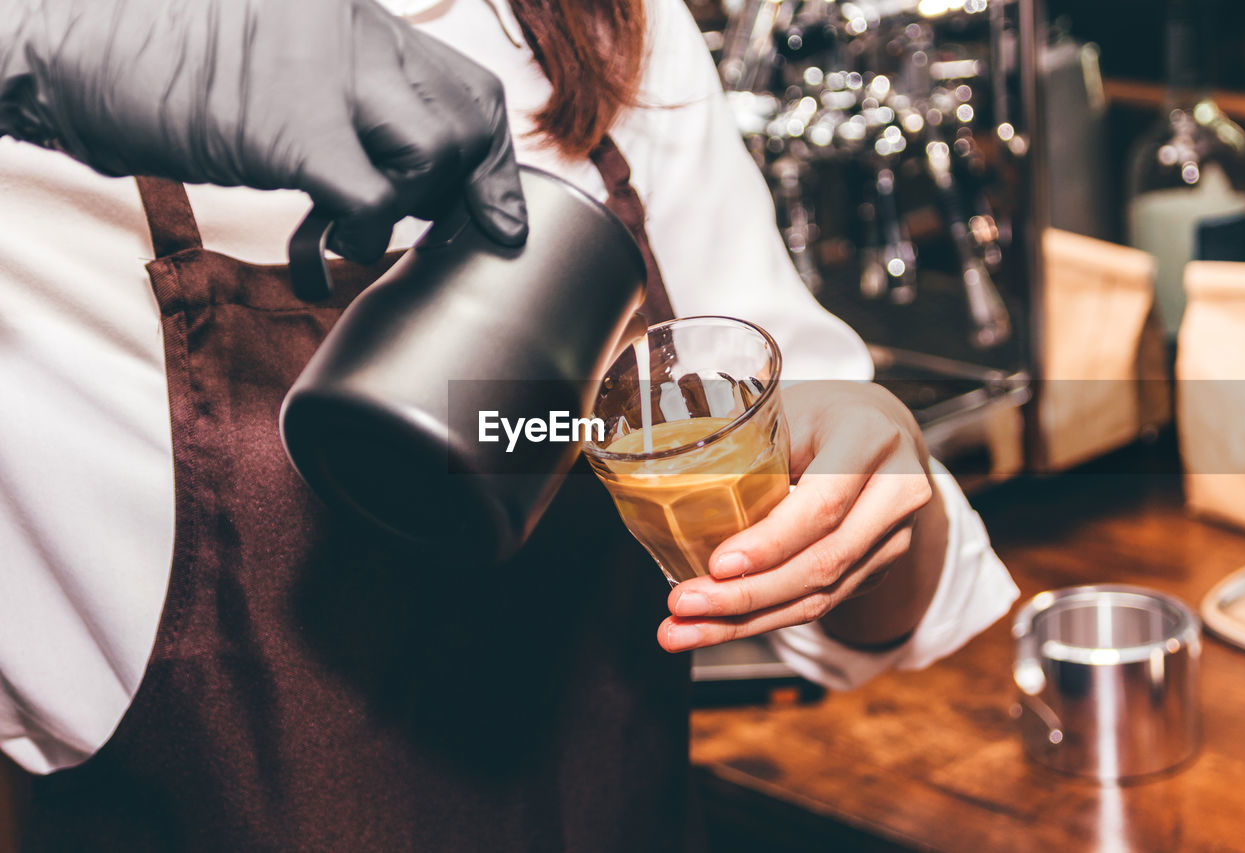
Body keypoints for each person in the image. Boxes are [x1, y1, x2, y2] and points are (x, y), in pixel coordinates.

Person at [0, 0, 1018, 848]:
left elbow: (878, 608)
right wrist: (34, 52)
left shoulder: (589, 24)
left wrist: (875, 470)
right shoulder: (37, 131)